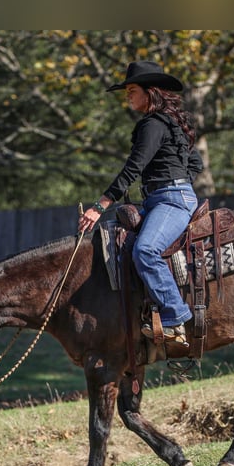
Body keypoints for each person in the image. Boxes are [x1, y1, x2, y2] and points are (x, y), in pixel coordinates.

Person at [78, 60, 204, 346]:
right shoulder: (171, 124)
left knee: (146, 250)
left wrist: (100, 206)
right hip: (161, 199)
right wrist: (180, 180)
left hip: (170, 201)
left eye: (132, 90)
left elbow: (134, 166)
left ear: (150, 92)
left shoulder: (153, 124)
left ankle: (175, 317)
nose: (128, 96)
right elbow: (195, 163)